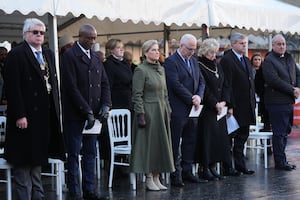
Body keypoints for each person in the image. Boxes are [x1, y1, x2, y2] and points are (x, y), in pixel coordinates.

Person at [4, 18, 65, 200]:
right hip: (25, 117)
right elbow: (12, 88)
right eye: (35, 32)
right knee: (23, 163)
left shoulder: (47, 53)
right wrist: (20, 114)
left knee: (38, 161)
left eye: (42, 32)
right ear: (25, 34)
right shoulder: (16, 54)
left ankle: (38, 196)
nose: (39, 35)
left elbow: (53, 83)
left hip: (43, 118)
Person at [61, 23, 111, 199]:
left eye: (94, 38)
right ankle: (74, 191)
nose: (92, 41)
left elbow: (104, 83)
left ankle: (89, 190)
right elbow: (71, 87)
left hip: (94, 115)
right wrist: (86, 111)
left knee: (90, 153)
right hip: (76, 114)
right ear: (80, 37)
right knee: (74, 154)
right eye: (89, 38)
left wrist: (106, 105)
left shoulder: (96, 57)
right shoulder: (69, 56)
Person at [130, 40, 174, 191]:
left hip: (160, 111)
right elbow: (137, 95)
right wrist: (141, 113)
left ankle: (156, 176)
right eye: (154, 50)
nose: (157, 52)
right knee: (149, 146)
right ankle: (148, 177)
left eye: (158, 50)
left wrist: (168, 110)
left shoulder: (161, 69)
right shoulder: (140, 70)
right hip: (148, 112)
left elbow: (165, 93)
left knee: (160, 145)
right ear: (146, 52)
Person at [164, 34, 206, 187]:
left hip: (193, 108)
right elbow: (175, 85)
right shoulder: (170, 62)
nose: (192, 52)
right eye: (190, 49)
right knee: (176, 142)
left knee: (190, 140)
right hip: (178, 108)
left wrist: (199, 97)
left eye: (194, 49)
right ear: (181, 46)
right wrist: (191, 98)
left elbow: (202, 81)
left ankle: (187, 171)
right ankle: (176, 174)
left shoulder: (194, 61)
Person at [262, 34, 300, 171]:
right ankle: (280, 162)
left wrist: (298, 88)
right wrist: (292, 89)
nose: (282, 46)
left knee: (286, 131)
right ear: (273, 45)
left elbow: (298, 74)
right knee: (279, 132)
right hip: (276, 101)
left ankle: (282, 159)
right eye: (279, 44)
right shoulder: (269, 60)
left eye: (283, 44)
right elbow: (273, 80)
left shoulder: (289, 58)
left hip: (288, 101)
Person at [220, 32, 256, 176]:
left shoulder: (246, 60)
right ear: (233, 44)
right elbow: (227, 84)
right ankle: (228, 167)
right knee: (230, 138)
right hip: (235, 106)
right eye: (241, 43)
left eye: (245, 43)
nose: (244, 45)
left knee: (242, 137)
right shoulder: (227, 60)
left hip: (247, 105)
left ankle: (241, 166)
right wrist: (229, 105)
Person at [196, 38, 231, 181]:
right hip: (207, 108)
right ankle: (204, 167)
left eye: (215, 53)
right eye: (211, 53)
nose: (213, 56)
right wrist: (214, 103)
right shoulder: (199, 65)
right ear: (204, 51)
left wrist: (223, 101)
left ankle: (213, 166)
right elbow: (204, 88)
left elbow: (225, 85)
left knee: (218, 139)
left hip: (219, 108)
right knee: (207, 139)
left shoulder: (217, 65)